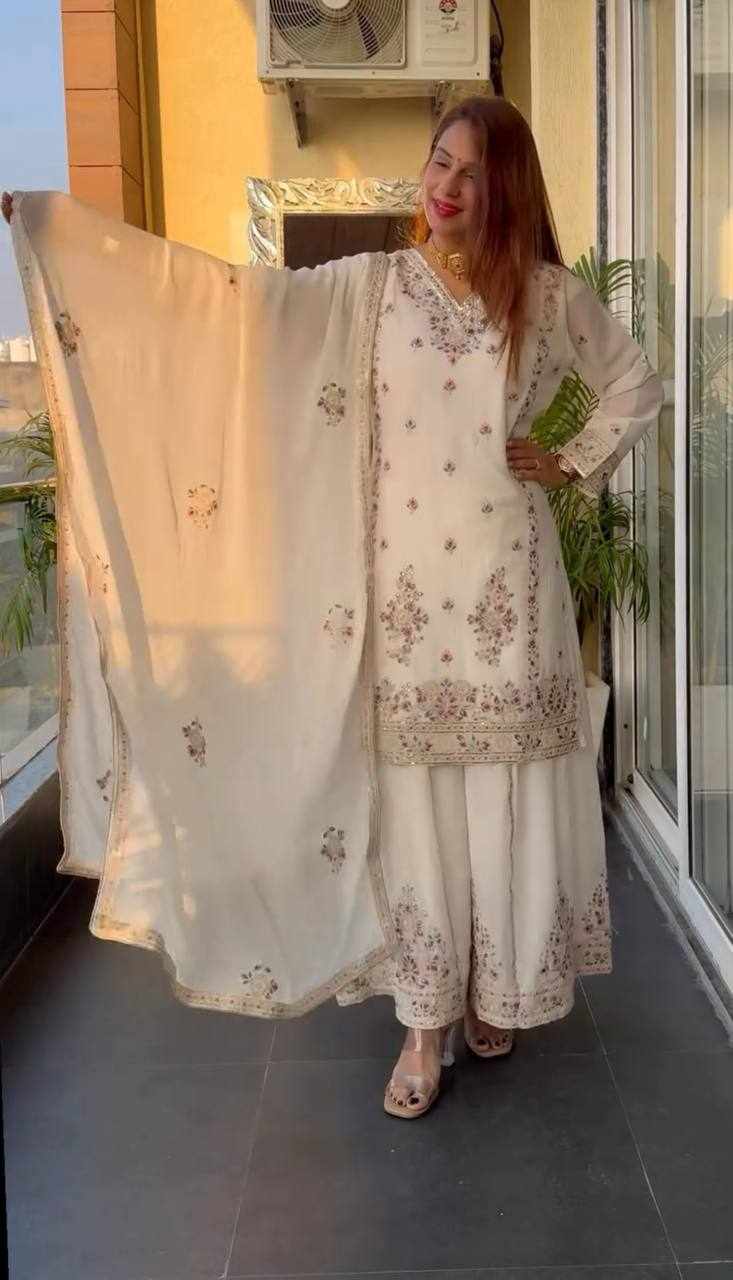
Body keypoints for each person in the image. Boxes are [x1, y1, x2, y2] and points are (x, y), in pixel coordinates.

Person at [2, 96, 664, 1123]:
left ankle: (493, 994)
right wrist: (69, 238)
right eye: (437, 163)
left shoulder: (545, 295)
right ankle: (423, 1021)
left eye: (470, 172)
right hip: (402, 600)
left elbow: (634, 383)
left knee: (499, 798)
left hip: (508, 591)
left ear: (506, 189)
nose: (445, 187)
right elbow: (231, 306)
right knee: (417, 815)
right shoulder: (371, 288)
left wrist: (570, 460)